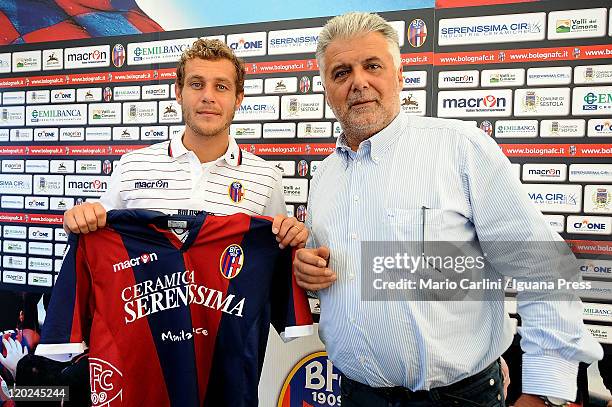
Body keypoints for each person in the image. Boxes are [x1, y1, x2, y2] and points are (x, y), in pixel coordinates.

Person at [293, 12, 603, 407]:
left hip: (459, 398)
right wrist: (308, 269)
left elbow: (542, 265)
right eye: (341, 73)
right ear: (325, 88)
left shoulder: (458, 148)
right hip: (356, 394)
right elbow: (332, 267)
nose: (358, 82)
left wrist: (545, 392)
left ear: (400, 75)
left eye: (372, 66)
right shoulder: (324, 176)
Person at [63, 38, 306, 249]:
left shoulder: (266, 178)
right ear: (178, 93)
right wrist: (80, 220)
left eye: (221, 87)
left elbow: (274, 256)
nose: (208, 96)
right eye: (196, 84)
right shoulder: (131, 166)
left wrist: (291, 236)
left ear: (238, 98)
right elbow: (97, 239)